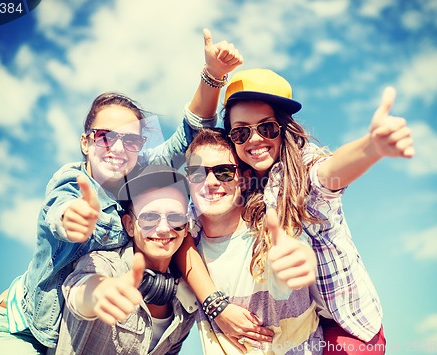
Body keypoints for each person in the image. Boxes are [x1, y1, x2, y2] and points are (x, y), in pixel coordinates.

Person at [0, 29, 243, 354]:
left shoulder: (138, 173)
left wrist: (213, 75)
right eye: (104, 136)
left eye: (130, 140)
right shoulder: (71, 180)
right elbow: (61, 210)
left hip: (69, 335)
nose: (117, 147)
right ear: (85, 142)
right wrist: (71, 220)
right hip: (19, 327)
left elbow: (187, 136)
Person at [221, 68, 414, 353]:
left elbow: (328, 174)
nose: (254, 139)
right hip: (299, 328)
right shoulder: (241, 184)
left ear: (284, 128)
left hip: (346, 326)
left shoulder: (303, 167)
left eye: (266, 128)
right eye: (240, 132)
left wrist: (371, 146)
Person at [184, 128, 324, 354]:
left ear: (245, 179)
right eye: (197, 173)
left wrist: (300, 259)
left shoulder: (272, 232)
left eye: (224, 172)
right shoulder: (183, 250)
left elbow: (297, 251)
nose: (210, 182)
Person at [50, 165, 197, 354]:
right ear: (129, 225)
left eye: (175, 218)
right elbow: (80, 291)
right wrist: (100, 293)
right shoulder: (102, 263)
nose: (163, 228)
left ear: (186, 228)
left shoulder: (186, 305)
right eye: (149, 218)